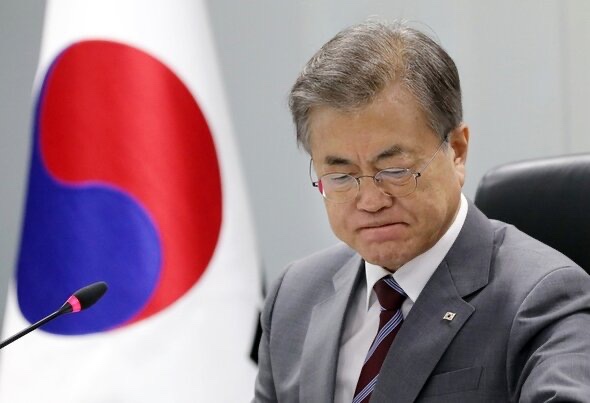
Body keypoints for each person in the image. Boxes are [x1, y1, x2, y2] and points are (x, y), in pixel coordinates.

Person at [253, 20, 590, 402]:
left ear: (457, 151)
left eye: (395, 171)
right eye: (342, 176)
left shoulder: (543, 297)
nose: (370, 201)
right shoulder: (294, 296)